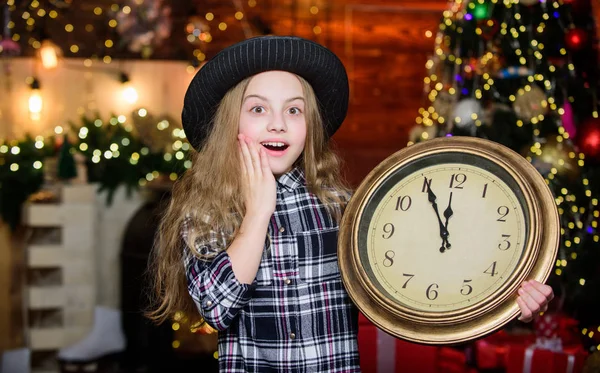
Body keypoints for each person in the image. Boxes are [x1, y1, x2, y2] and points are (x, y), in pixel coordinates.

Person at [147, 35, 553, 372]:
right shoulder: (207, 212)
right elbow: (217, 309)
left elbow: (406, 302)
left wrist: (505, 303)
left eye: (294, 110)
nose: (278, 123)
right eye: (257, 109)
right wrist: (257, 214)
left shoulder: (343, 208)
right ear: (229, 123)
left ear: (310, 127)